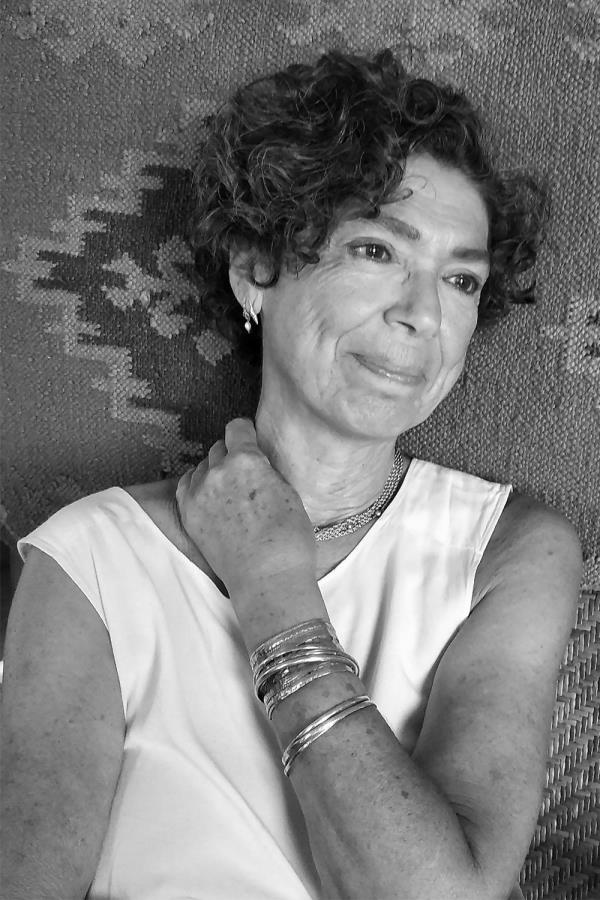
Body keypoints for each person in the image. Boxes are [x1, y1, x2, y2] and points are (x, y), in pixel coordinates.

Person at [1, 48, 583, 900]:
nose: (423, 314)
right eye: (377, 250)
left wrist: (273, 590)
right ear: (255, 271)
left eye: (461, 279)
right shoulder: (91, 560)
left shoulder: (513, 552)